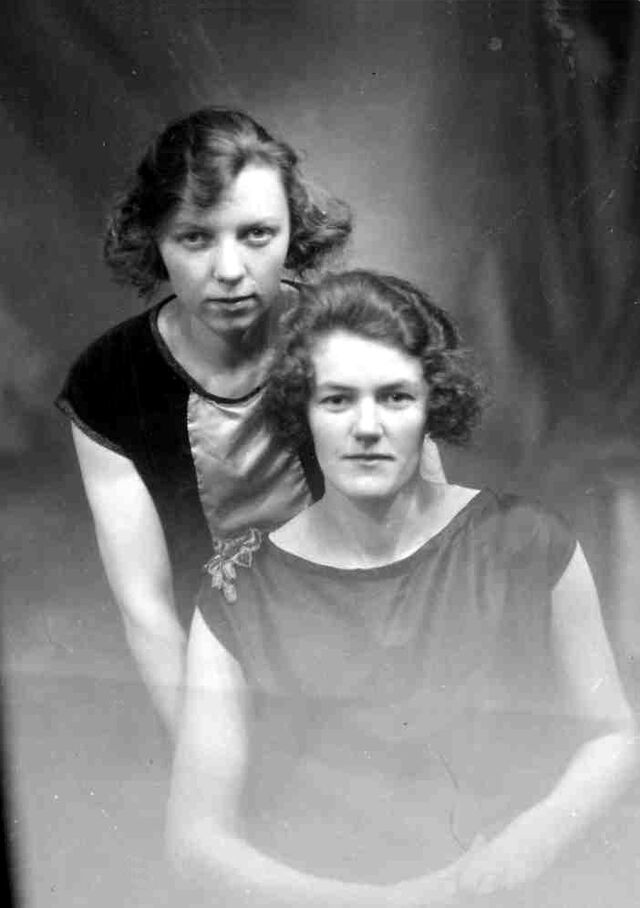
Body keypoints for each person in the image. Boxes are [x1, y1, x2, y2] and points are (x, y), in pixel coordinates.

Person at [168, 271, 638, 907]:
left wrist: (530, 843)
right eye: (337, 400)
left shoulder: (527, 543)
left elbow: (613, 735)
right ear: (302, 410)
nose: (367, 427)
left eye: (394, 397)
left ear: (432, 407)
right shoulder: (239, 593)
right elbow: (195, 844)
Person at [55, 107, 352, 735]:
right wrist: (206, 751)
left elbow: (428, 539)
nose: (230, 271)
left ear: (293, 229)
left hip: (370, 646)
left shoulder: (354, 334)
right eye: (195, 238)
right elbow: (146, 610)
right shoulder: (107, 381)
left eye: (257, 233)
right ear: (155, 241)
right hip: (213, 678)